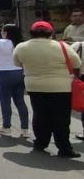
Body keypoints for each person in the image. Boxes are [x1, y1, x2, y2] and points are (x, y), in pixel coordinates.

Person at [13, 21, 81, 158]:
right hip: (61, 88)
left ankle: (40, 143)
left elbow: (17, 62)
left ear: (31, 33)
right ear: (51, 33)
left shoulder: (22, 47)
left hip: (34, 87)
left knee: (40, 115)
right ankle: (64, 148)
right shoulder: (62, 46)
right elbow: (76, 63)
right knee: (61, 118)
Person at [0, 25, 29, 137]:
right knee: (20, 101)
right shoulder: (21, 44)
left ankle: (6, 127)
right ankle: (25, 129)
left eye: (2, 30)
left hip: (3, 74)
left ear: (6, 32)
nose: (1, 32)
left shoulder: (1, 43)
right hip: (19, 73)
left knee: (5, 101)